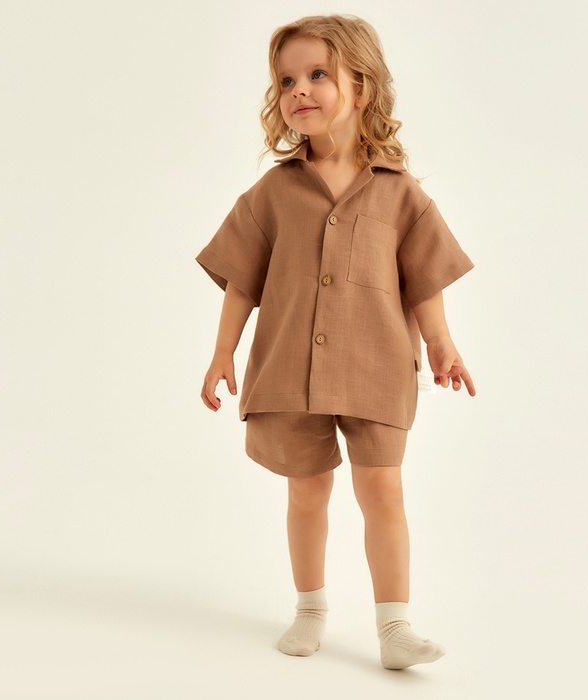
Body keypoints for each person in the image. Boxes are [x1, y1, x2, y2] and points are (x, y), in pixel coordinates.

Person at [197, 14, 475, 670]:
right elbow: (241, 280)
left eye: (318, 74)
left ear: (363, 84)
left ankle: (395, 627)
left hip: (377, 367)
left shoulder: (400, 194)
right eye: (286, 80)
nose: (299, 89)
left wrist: (441, 342)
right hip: (289, 366)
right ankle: (310, 608)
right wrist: (221, 352)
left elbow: (424, 279)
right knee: (308, 490)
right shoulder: (273, 192)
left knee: (383, 491)